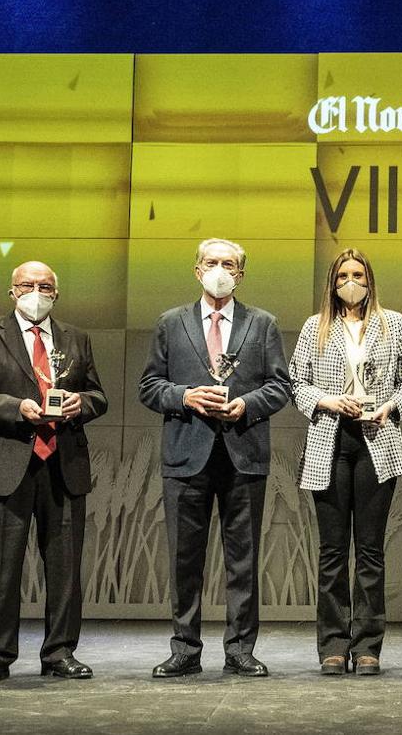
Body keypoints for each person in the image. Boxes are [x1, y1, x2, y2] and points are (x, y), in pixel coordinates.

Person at [138, 238, 291, 679]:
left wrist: (246, 404)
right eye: (211, 262)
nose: (219, 270)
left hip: (244, 454)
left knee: (243, 558)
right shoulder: (171, 323)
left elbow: (280, 386)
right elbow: (149, 386)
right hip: (186, 455)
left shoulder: (262, 323)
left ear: (240, 274)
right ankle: (185, 648)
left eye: (228, 264)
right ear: (197, 270)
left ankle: (240, 649)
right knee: (184, 559)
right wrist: (185, 396)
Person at [0, 262, 108, 684]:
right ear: (12, 292)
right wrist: (16, 407)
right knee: (1, 566)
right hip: (5, 462)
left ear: (56, 294)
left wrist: (81, 404)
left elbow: (98, 395)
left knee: (65, 567)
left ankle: (60, 653)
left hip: (63, 462)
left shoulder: (76, 337)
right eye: (27, 285)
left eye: (45, 286)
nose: (36, 292)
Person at [288, 248, 402, 676]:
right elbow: (296, 382)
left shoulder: (393, 324)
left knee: (370, 551)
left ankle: (367, 647)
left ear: (369, 280)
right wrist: (327, 400)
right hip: (329, 441)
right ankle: (332, 644)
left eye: (358, 275)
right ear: (333, 282)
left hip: (376, 441)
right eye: (343, 275)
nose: (351, 282)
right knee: (331, 552)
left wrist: (388, 407)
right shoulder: (315, 327)